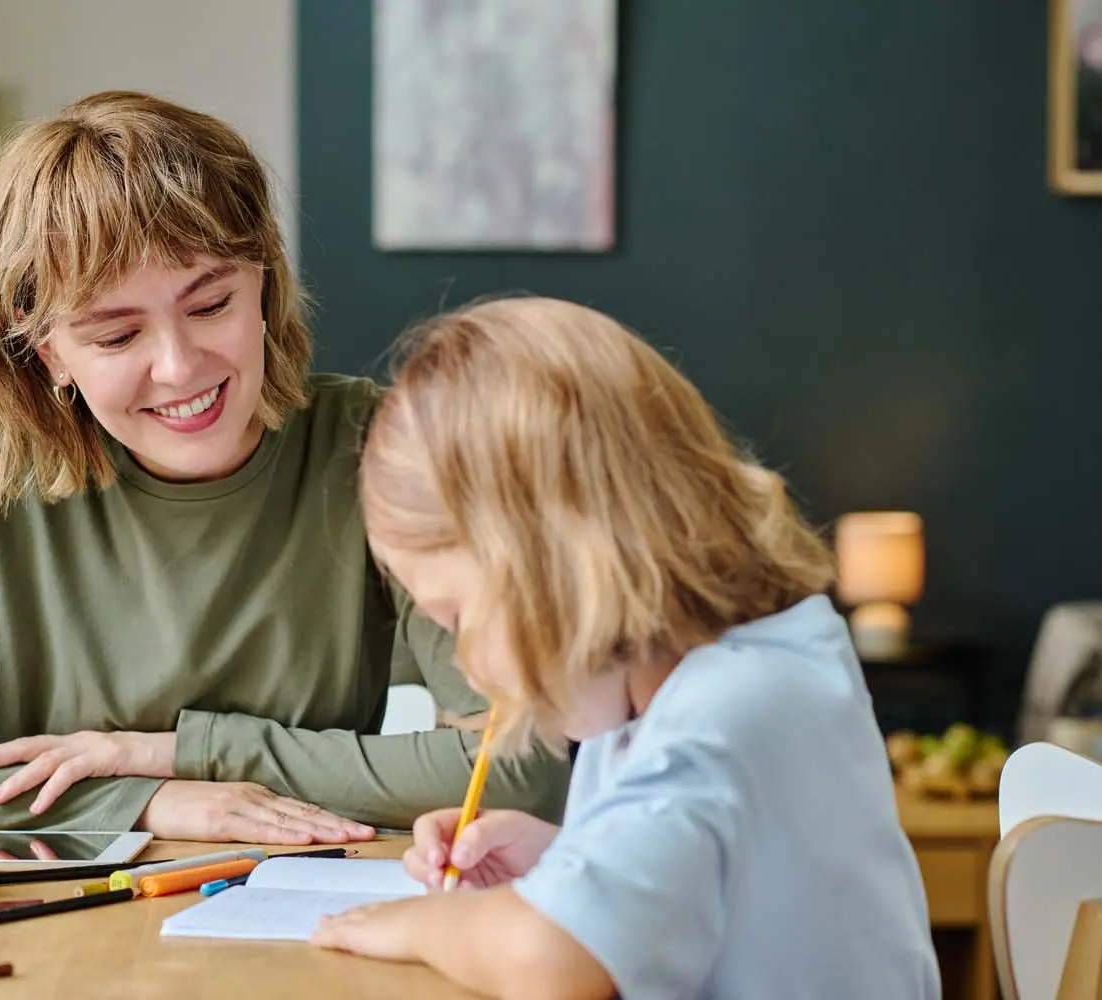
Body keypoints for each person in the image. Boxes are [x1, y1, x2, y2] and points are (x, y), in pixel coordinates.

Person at [0, 92, 570, 845]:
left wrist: (178, 753)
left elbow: (518, 771)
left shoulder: (380, 445)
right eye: (116, 337)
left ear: (263, 286)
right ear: (48, 352)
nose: (180, 368)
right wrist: (142, 801)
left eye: (211, 304)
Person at [311, 297, 940, 1000]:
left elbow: (552, 963)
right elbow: (722, 885)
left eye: (456, 619)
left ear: (559, 558)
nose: (465, 665)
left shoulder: (723, 711)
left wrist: (429, 925)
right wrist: (563, 864)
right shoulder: (728, 672)